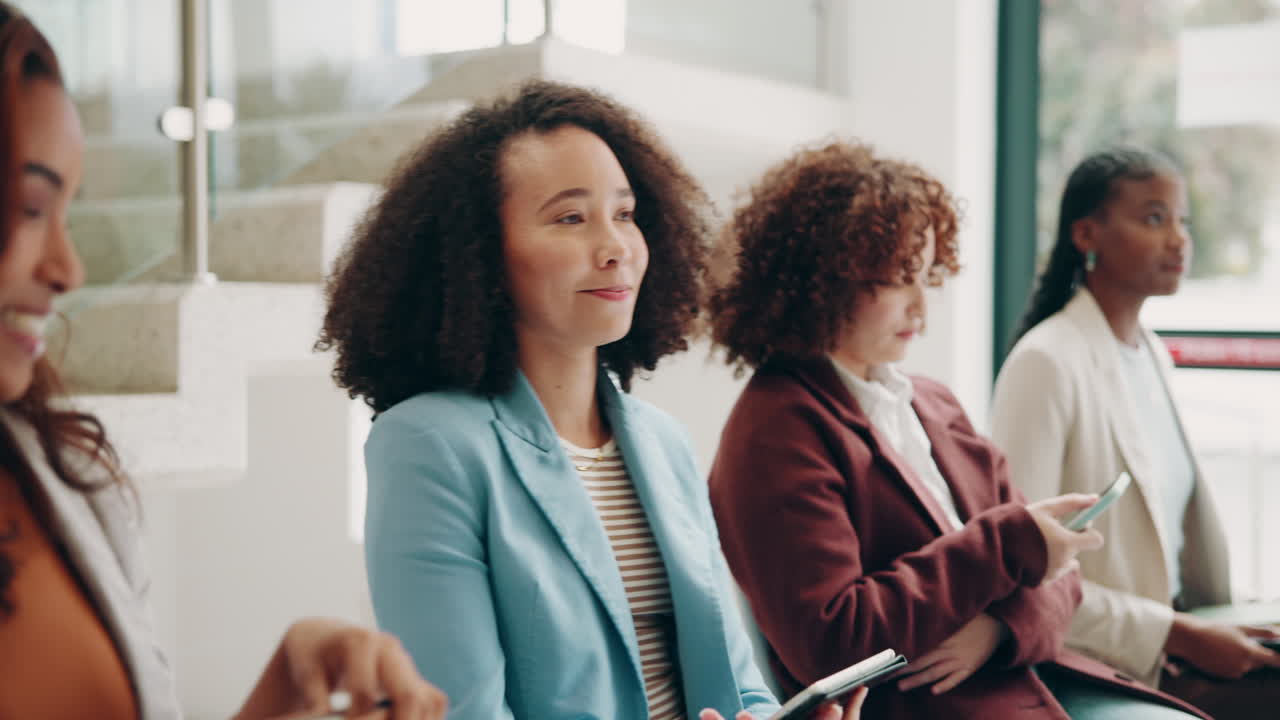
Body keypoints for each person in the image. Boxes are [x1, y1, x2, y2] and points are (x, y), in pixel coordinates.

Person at [317, 80, 866, 720]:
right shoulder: (429, 445)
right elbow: (458, 712)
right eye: (571, 218)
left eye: (626, 214)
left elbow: (735, 681)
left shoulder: (663, 442)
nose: (615, 248)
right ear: (480, 258)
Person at [0, 5, 447, 718]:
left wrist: (281, 690)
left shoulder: (70, 480)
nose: (69, 268)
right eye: (29, 208)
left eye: (68, 216)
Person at [706, 140, 1210, 719]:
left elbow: (1061, 582)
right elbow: (834, 646)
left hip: (1028, 679)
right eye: (896, 280)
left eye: (925, 276)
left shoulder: (930, 401)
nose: (921, 309)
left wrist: (1000, 628)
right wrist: (1006, 547)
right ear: (819, 280)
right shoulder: (778, 430)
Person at [991, 147, 1280, 719]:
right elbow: (1020, 576)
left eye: (1183, 221)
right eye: (1154, 218)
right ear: (1085, 233)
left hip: (1176, 634)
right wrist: (1177, 633)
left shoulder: (1149, 355)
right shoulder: (1046, 362)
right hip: (1103, 658)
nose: (1178, 239)